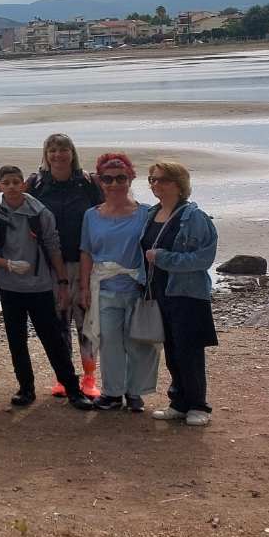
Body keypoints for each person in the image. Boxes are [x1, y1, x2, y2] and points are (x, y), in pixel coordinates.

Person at [0, 166, 94, 409]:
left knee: (53, 340)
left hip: (40, 286)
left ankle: (72, 388)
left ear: (24, 185)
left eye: (16, 181)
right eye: (6, 183)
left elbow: (53, 247)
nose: (12, 186)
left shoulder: (40, 213)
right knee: (16, 341)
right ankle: (25, 389)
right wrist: (6, 264)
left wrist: (62, 282)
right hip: (9, 288)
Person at [26, 134, 103, 399]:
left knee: (86, 322)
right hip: (49, 264)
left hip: (84, 261)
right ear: (46, 155)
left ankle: (90, 378)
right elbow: (15, 211)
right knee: (58, 322)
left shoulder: (88, 184)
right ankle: (64, 377)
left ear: (73, 153)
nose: (58, 155)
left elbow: (105, 214)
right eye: (53, 150)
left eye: (63, 150)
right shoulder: (36, 185)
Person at [144, 161, 219, 426]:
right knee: (172, 349)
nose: (155, 184)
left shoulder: (194, 217)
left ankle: (199, 405)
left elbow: (203, 258)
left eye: (161, 180)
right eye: (151, 179)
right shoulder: (151, 213)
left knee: (190, 351)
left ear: (178, 183)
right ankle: (179, 402)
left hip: (187, 294)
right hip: (160, 292)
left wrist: (163, 258)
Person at [78, 153, 153, 411]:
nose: (114, 184)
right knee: (109, 343)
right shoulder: (91, 215)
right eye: (108, 179)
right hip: (104, 289)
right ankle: (112, 392)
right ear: (100, 181)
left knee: (137, 342)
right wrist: (84, 288)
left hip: (136, 288)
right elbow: (86, 252)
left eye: (120, 178)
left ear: (131, 178)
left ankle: (135, 393)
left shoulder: (146, 214)